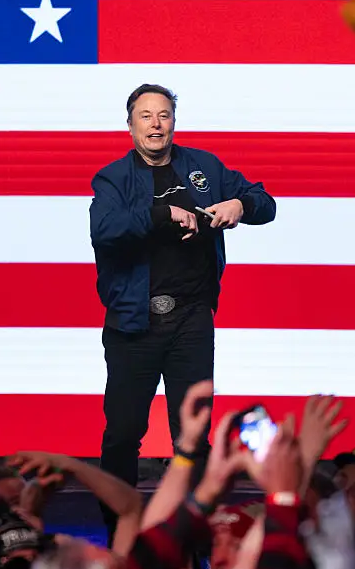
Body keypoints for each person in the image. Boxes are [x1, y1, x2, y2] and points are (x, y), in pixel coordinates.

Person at [88, 82, 277, 536]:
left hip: (192, 319)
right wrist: (164, 214)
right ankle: (120, 533)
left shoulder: (204, 167)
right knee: (123, 434)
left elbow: (266, 204)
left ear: (174, 121)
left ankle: (193, 536)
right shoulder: (113, 178)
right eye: (146, 116)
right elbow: (105, 229)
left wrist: (240, 204)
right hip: (135, 322)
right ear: (130, 124)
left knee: (191, 435)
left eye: (164, 115)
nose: (156, 124)